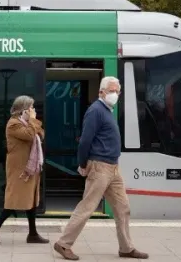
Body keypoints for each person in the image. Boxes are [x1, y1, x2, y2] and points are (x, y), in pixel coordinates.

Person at [54, 77, 149, 260]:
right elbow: (84, 141)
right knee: (87, 207)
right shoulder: (95, 111)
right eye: (111, 91)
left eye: (117, 91)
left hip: (113, 168)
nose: (115, 94)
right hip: (100, 166)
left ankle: (126, 248)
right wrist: (83, 164)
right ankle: (63, 244)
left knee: (123, 207)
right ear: (101, 92)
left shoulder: (107, 111)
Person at [0, 95, 49, 245]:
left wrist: (32, 121)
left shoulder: (27, 123)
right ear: (23, 109)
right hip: (19, 168)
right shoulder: (13, 124)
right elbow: (29, 135)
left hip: (30, 167)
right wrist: (33, 121)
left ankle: (33, 234)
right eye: (31, 107)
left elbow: (41, 134)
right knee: (14, 199)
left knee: (31, 199)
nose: (33, 110)